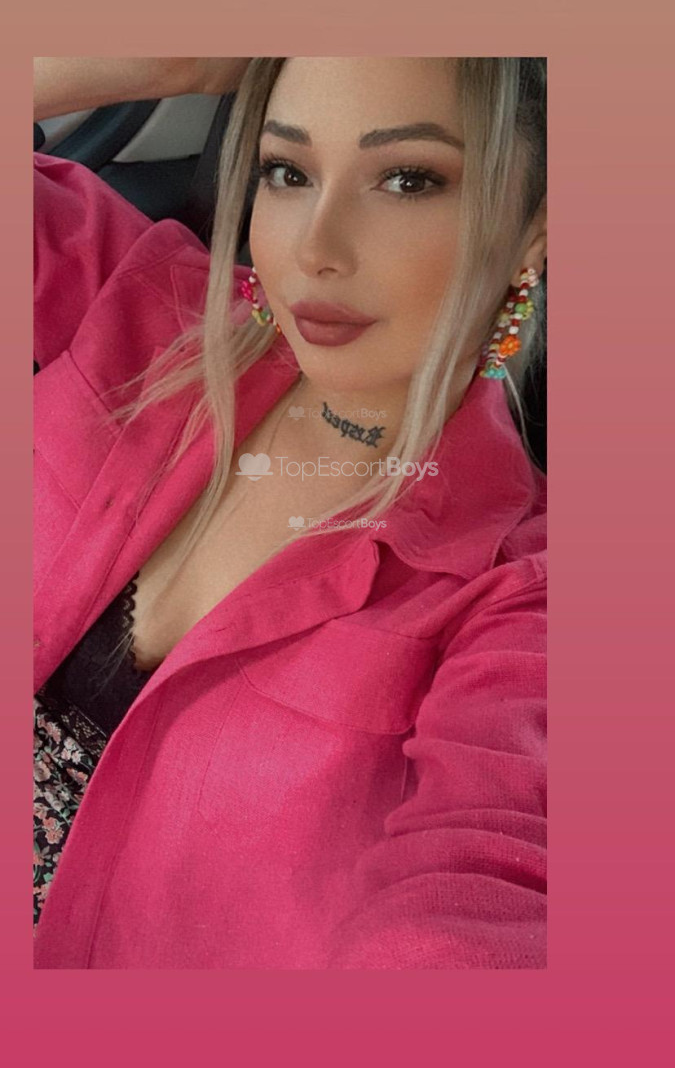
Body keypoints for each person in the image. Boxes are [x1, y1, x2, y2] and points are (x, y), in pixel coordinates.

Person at [33, 56, 547, 969]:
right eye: (286, 171)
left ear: (533, 233)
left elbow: (489, 895)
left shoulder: (520, 594)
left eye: (407, 179)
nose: (315, 248)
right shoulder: (143, 300)